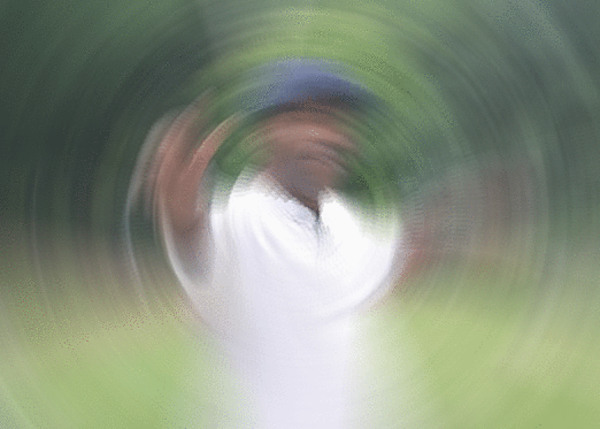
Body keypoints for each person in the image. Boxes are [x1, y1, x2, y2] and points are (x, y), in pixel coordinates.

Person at [147, 60, 403, 428]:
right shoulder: (239, 219)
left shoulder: (344, 219)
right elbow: (201, 248)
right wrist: (183, 225)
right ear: (264, 134)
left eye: (339, 121)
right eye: (308, 118)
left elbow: (389, 259)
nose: (329, 136)